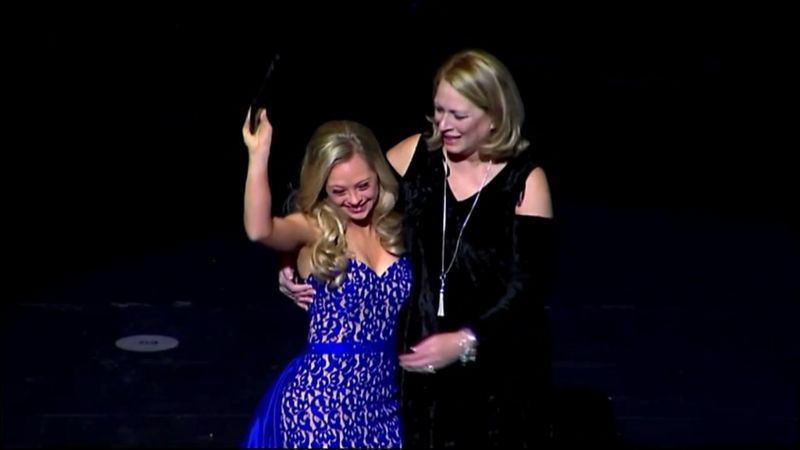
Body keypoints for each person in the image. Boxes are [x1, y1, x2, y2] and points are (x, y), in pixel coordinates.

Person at [279, 48, 556, 448]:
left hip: (494, 372)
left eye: (458, 115)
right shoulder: (416, 156)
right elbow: (329, 198)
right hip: (417, 372)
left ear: (494, 114)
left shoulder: (526, 182)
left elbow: (528, 289)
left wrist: (464, 341)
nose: (444, 125)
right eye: (439, 111)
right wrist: (289, 262)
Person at [241, 110, 412, 448]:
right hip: (320, 406)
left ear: (379, 173)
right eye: (339, 191)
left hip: (383, 405)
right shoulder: (315, 227)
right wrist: (258, 155)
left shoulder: (394, 227)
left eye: (364, 185)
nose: (354, 199)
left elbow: (434, 140)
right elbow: (259, 230)